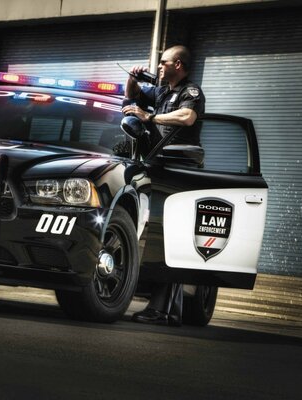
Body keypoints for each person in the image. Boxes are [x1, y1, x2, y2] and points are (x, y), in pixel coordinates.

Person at [121, 45, 205, 326]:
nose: (158, 66)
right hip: (161, 169)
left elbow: (187, 117)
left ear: (178, 64)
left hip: (181, 173)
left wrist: (151, 117)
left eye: (163, 62)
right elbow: (132, 96)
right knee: (164, 238)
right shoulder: (162, 92)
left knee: (172, 238)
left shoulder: (190, 92)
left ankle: (162, 310)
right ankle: (168, 310)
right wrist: (133, 77)